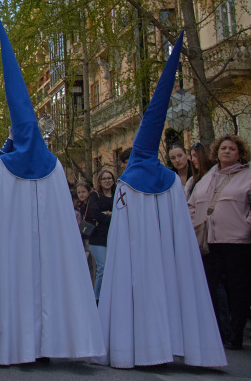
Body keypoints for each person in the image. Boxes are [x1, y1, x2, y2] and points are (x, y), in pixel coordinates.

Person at [95, 34, 226, 368]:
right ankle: (178, 342)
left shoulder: (126, 184)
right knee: (173, 285)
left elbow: (120, 235)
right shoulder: (170, 181)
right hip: (168, 255)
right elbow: (179, 231)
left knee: (139, 288)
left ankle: (138, 345)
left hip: (136, 256)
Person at [0, 20, 103, 365]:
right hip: (49, 247)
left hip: (15, 248)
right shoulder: (53, 166)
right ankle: (52, 343)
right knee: (52, 279)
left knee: (17, 282)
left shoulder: (5, 166)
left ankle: (19, 345)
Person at [189, 134, 251, 351]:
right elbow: (191, 205)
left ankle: (235, 335)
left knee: (238, 290)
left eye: (232, 149)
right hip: (208, 242)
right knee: (210, 287)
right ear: (216, 152)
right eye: (223, 148)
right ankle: (217, 333)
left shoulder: (247, 176)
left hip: (237, 242)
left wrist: (246, 226)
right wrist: (193, 225)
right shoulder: (206, 178)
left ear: (240, 153)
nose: (227, 151)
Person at [87, 169, 114, 303]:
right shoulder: (95, 195)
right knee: (102, 268)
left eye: (109, 178)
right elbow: (94, 214)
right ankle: (97, 298)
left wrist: (107, 213)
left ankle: (110, 296)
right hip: (98, 237)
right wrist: (112, 216)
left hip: (113, 236)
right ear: (99, 181)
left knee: (113, 268)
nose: (107, 181)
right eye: (104, 179)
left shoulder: (117, 194)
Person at [76, 181, 97, 282]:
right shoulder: (81, 207)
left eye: (83, 192)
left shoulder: (91, 205)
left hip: (92, 238)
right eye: (79, 192)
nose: (81, 195)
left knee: (93, 264)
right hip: (85, 238)